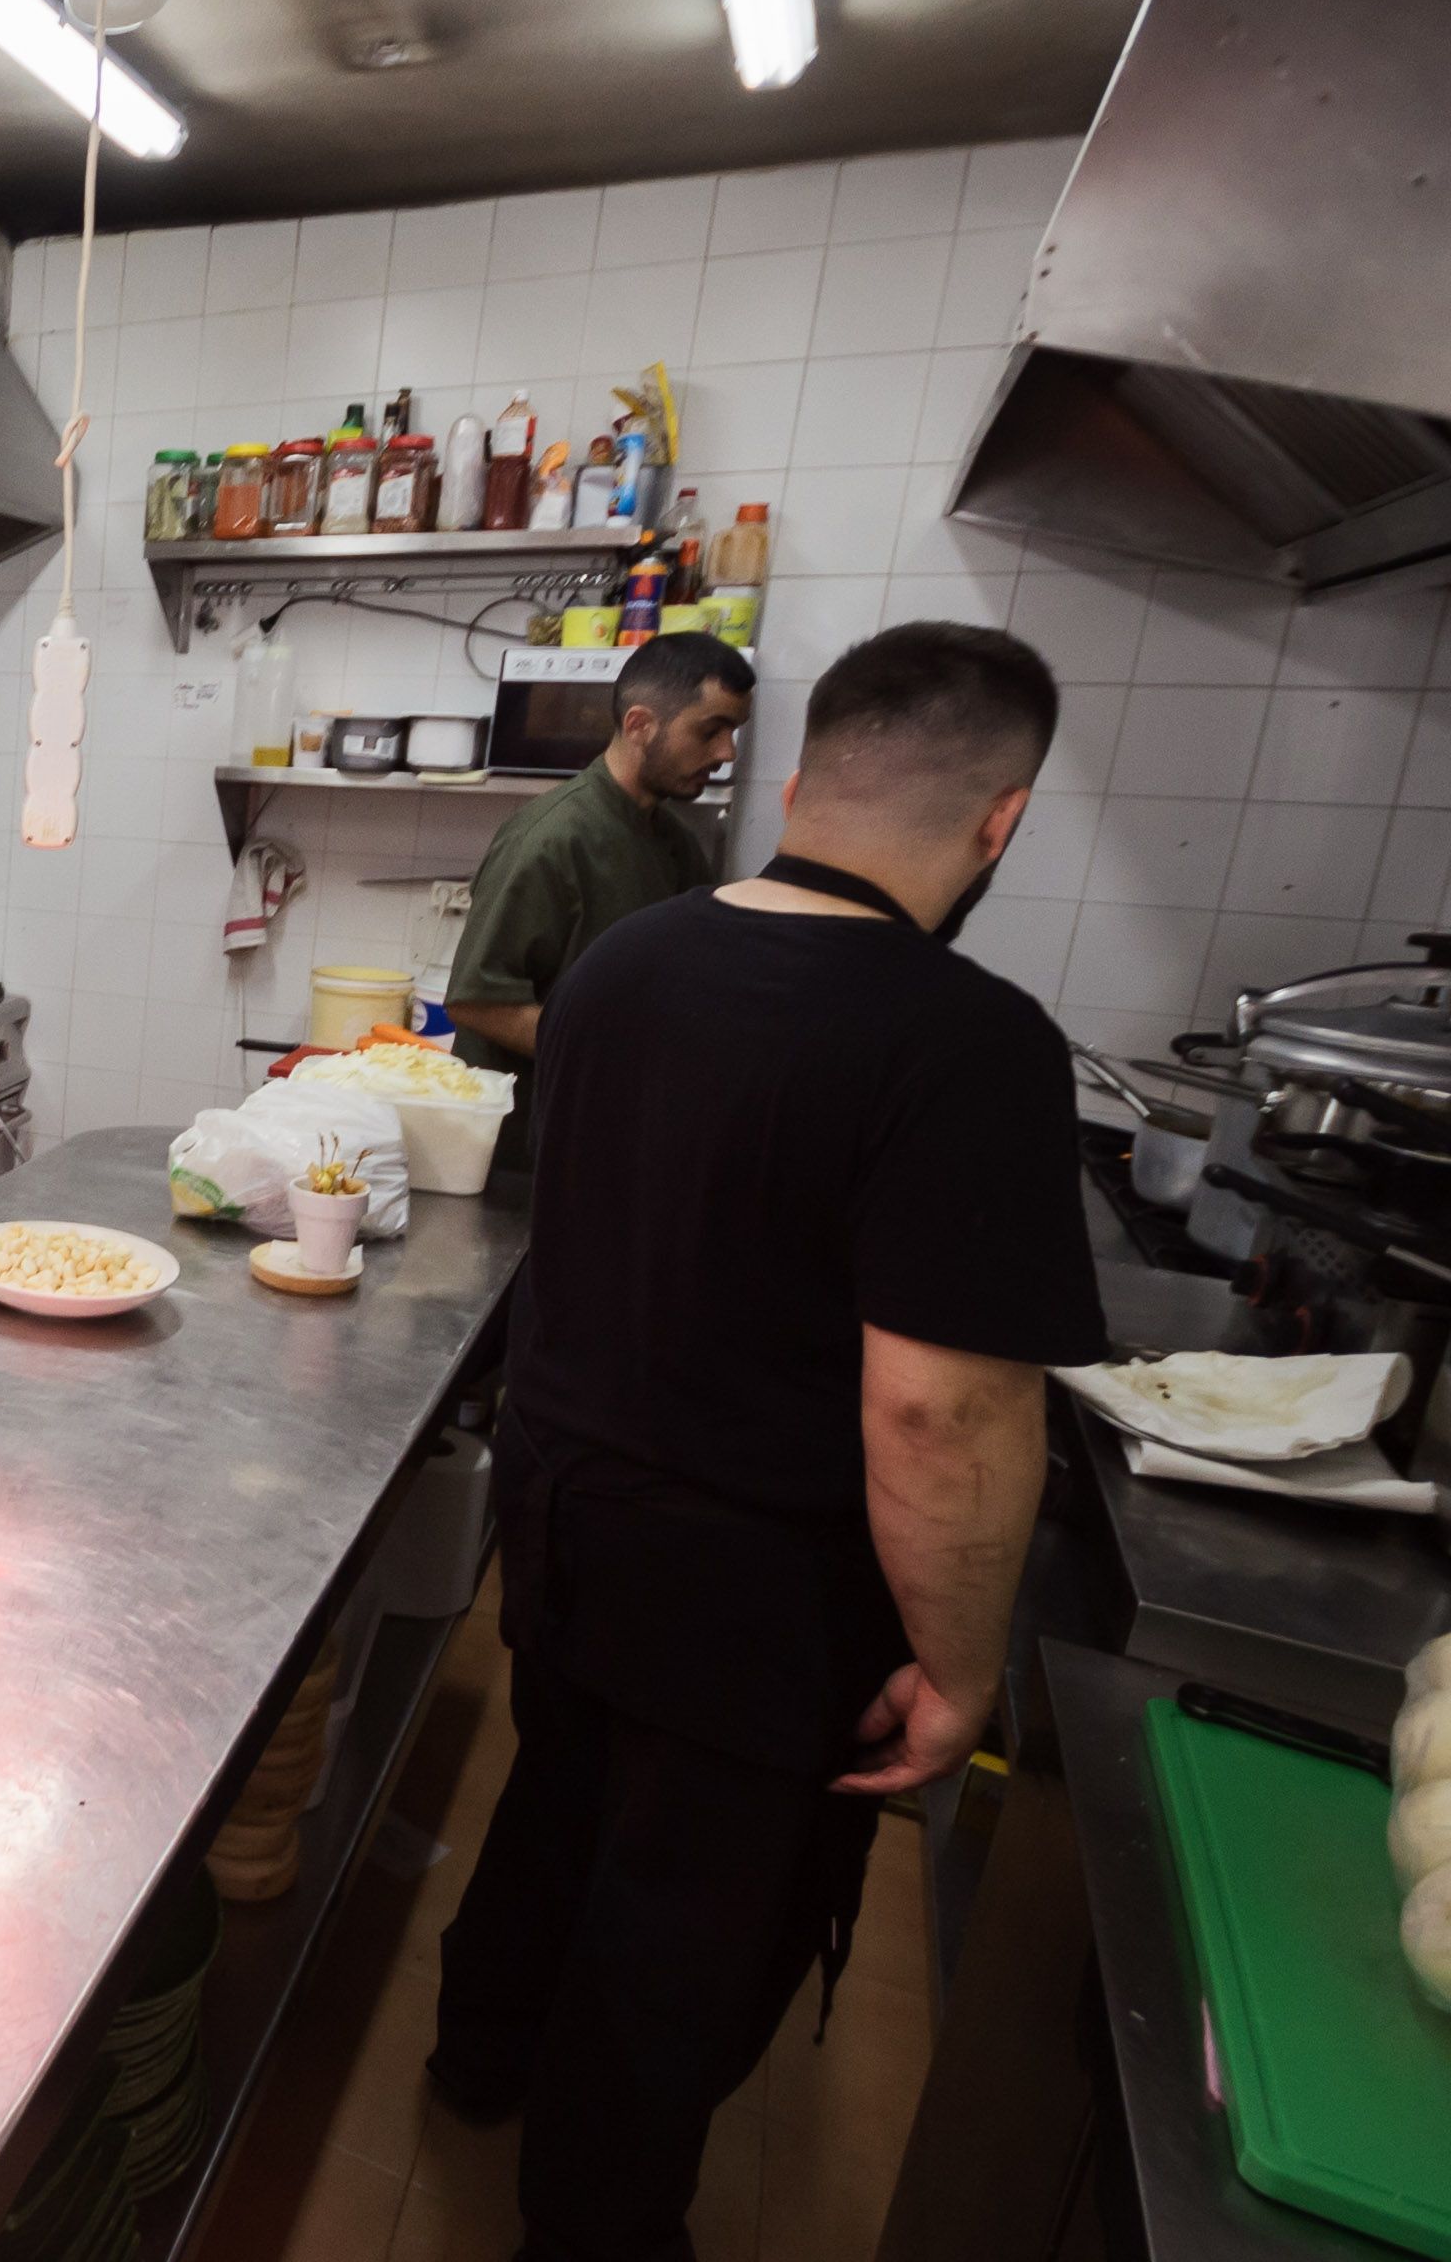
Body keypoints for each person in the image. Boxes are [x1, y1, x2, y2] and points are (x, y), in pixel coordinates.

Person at [426, 623, 1107, 2262]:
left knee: (558, 1788)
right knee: (683, 1923)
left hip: (565, 1502)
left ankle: (473, 2061)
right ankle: (586, 2231)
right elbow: (940, 1406)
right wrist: (955, 1670)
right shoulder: (970, 1042)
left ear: (797, 779)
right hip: (745, 1581)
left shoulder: (624, 968)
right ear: (999, 819)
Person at [444, 630, 754, 1167]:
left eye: (732, 732)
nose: (725, 753)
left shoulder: (675, 843)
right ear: (639, 725)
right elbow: (478, 1001)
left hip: (617, 1137)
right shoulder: (550, 838)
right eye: (711, 731)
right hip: (525, 1154)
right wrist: (622, 1056)